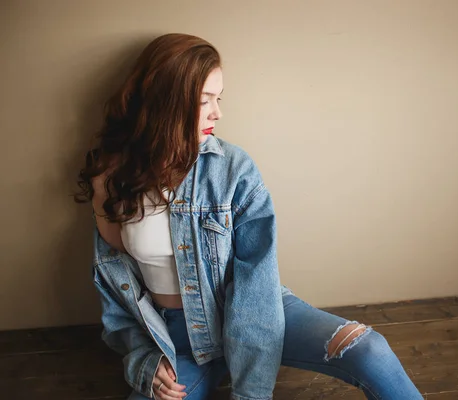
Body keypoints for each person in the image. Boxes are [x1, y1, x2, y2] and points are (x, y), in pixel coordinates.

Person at [75, 33, 423, 400]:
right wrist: (143, 359)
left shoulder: (232, 169)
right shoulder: (111, 177)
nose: (217, 112)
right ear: (166, 101)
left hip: (255, 314)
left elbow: (256, 280)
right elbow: (117, 294)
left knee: (369, 349)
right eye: (203, 100)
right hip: (176, 339)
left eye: (219, 98)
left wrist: (251, 393)